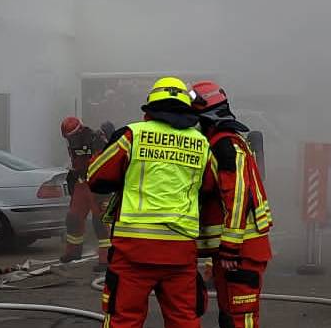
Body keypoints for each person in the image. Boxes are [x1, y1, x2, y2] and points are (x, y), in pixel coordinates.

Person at [88, 77, 216, 328]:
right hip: (180, 250)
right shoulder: (202, 144)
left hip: (134, 250)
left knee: (124, 319)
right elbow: (209, 187)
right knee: (183, 319)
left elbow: (97, 177)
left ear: (151, 105)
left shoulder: (132, 135)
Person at [191, 80, 273, 328]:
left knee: (241, 318)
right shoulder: (221, 143)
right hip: (231, 250)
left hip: (241, 250)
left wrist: (230, 246)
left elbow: (237, 196)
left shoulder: (226, 145)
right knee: (228, 316)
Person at [59, 116, 111, 267]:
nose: (70, 140)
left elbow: (102, 161)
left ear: (80, 131)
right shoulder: (72, 143)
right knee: (73, 218)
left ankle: (106, 258)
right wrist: (74, 175)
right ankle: (73, 251)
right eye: (68, 138)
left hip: (97, 184)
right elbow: (77, 162)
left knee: (100, 222)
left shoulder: (95, 139)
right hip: (82, 183)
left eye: (72, 136)